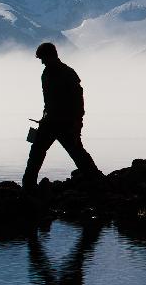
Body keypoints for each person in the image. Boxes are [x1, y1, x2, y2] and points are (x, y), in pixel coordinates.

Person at [22, 42, 101, 189]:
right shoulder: (48, 74)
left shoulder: (67, 73)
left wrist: (77, 123)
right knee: (39, 153)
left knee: (75, 152)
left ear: (50, 56)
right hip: (51, 121)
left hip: (65, 123)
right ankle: (28, 186)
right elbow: (49, 102)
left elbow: (78, 101)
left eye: (43, 58)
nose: (42, 62)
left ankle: (96, 180)